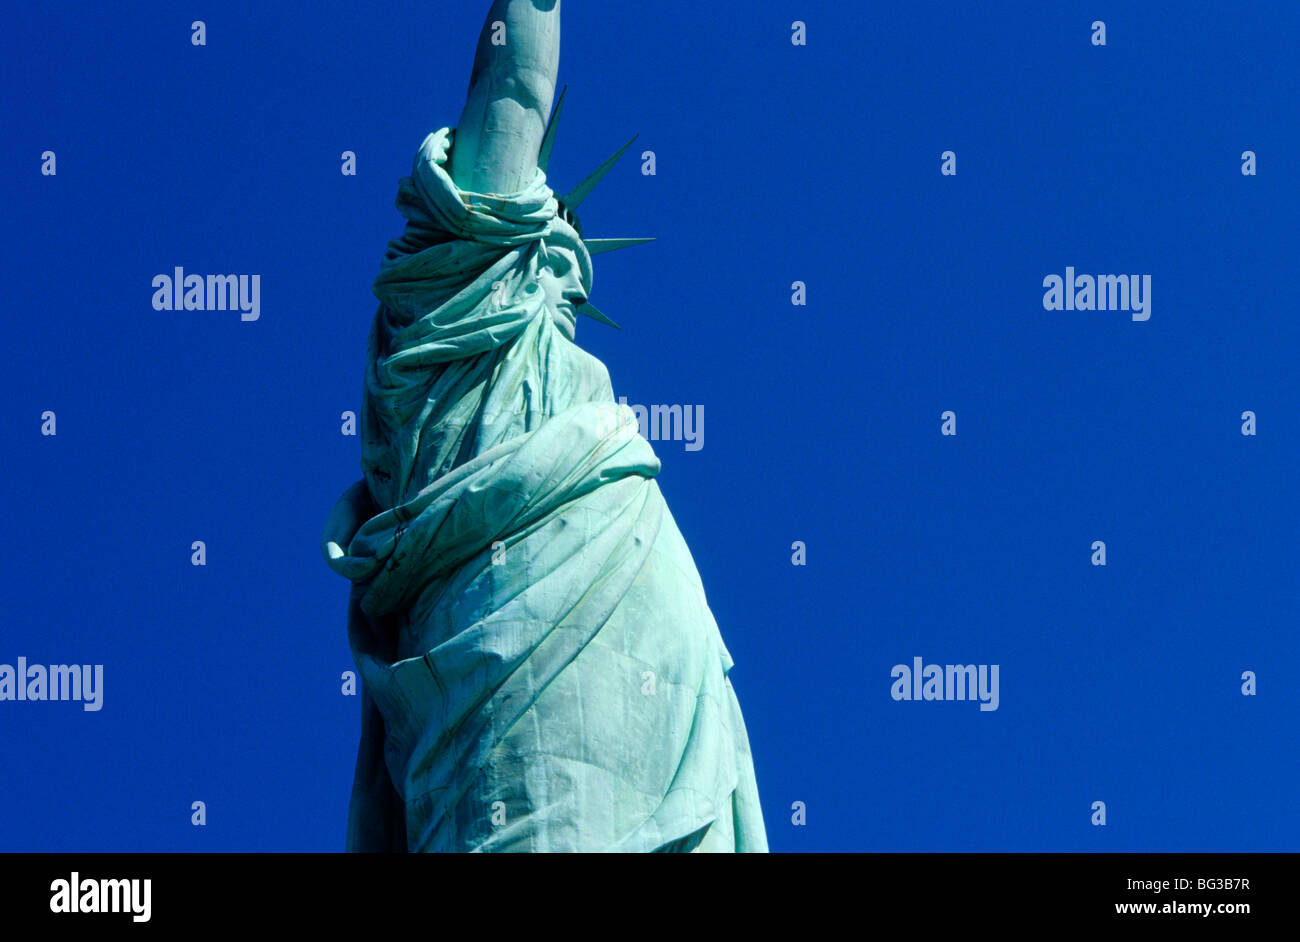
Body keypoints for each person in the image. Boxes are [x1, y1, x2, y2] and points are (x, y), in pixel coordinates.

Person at [322, 0, 767, 852]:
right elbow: (517, 82)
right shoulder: (456, 302)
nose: (571, 280)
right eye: (557, 251)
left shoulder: (559, 377)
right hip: (517, 660)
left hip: (651, 638)